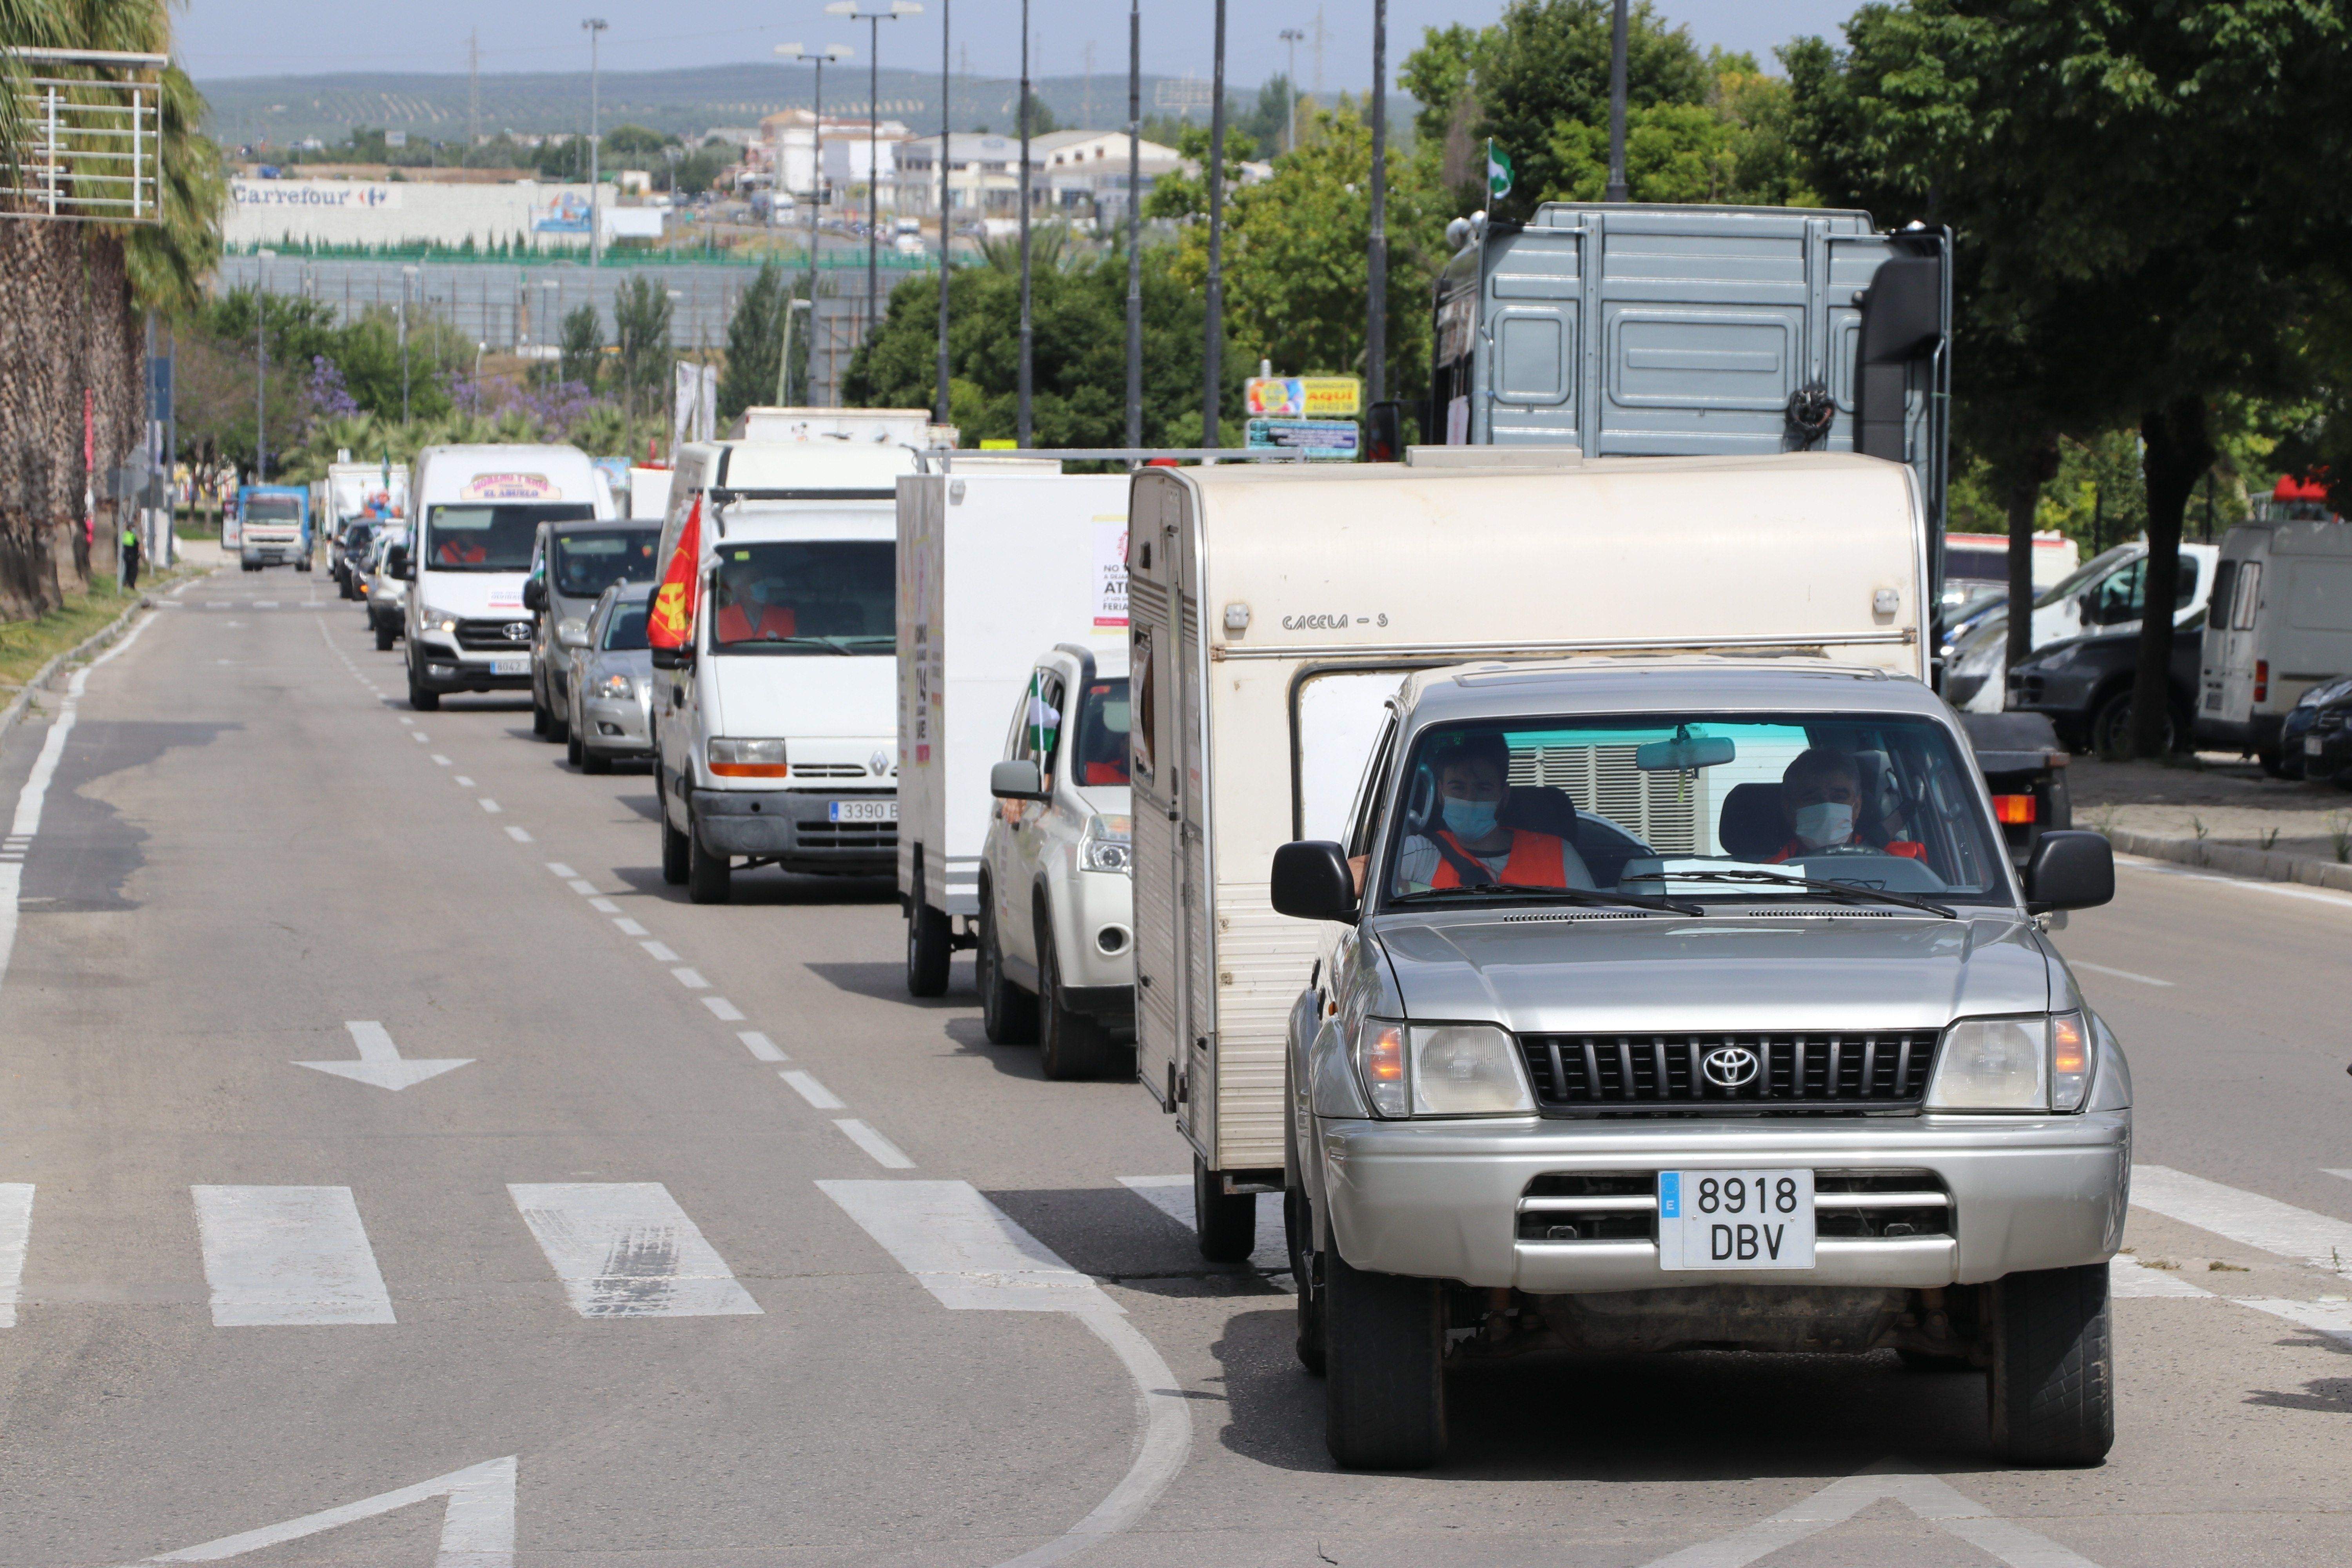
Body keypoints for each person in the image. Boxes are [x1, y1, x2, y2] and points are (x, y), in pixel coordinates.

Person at [1392, 731, 1595, 893]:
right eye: (1457, 787)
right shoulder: (1418, 853)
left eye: (1483, 788)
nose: (1469, 799)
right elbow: (1362, 873)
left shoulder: (1559, 856)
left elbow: (1592, 926)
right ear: (1440, 793)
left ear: (1504, 797)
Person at [1764, 747, 1922, 864]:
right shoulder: (1768, 876)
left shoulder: (1907, 861)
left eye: (1839, 797)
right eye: (1812, 799)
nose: (1827, 807)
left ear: (1857, 806)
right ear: (1789, 808)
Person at [119, 519, 140, 590]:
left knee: (128, 570)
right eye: (132, 527)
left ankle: (127, 583)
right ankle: (131, 584)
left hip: (128, 555)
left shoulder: (126, 534)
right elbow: (135, 545)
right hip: (131, 554)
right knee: (133, 570)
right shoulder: (130, 535)